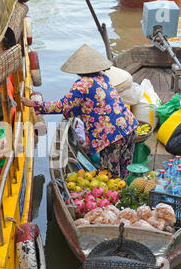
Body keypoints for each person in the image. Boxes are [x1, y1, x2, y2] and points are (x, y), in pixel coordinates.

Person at [22, 44, 138, 179]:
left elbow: (62, 106)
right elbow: (88, 104)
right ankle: (123, 194)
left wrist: (35, 104)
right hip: (129, 126)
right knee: (123, 170)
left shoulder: (82, 85)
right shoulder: (103, 77)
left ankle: (114, 197)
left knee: (110, 177)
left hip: (111, 136)